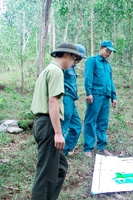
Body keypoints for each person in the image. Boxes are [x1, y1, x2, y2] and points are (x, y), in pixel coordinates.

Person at [30, 42, 82, 200]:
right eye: (73, 58)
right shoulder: (56, 71)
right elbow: (52, 102)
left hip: (42, 123)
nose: (73, 62)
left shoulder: (48, 70)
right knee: (45, 175)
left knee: (60, 167)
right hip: (48, 125)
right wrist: (59, 133)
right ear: (66, 55)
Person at [83, 40, 117, 157]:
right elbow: (88, 77)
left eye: (110, 52)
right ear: (101, 48)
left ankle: (102, 147)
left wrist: (114, 96)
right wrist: (89, 92)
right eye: (107, 50)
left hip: (106, 97)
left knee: (103, 123)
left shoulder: (108, 66)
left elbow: (110, 81)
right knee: (90, 121)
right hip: (95, 95)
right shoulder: (92, 61)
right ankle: (88, 148)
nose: (108, 53)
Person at [62, 44, 87, 156]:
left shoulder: (72, 67)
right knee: (63, 127)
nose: (80, 60)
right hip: (65, 98)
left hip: (72, 100)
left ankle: (64, 151)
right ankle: (56, 155)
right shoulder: (64, 66)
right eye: (79, 57)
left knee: (77, 127)